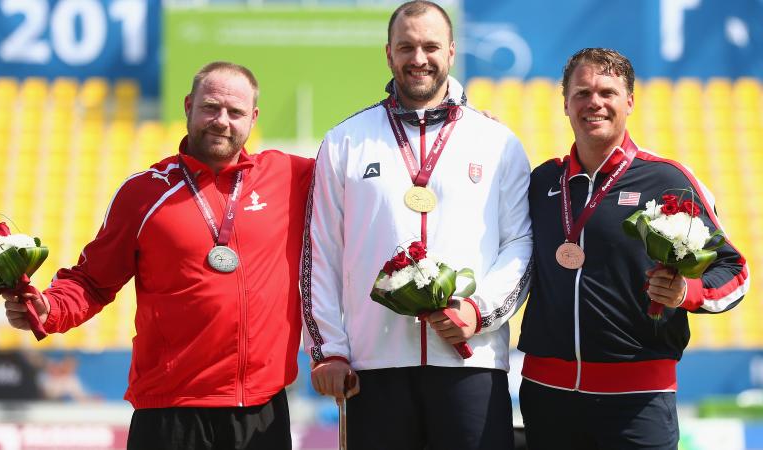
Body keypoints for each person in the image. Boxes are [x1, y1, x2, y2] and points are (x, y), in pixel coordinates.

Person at [2, 61, 314, 450]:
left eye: (234, 112)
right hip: (170, 410)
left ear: (253, 118)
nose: (221, 121)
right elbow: (91, 281)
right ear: (188, 106)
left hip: (260, 408)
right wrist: (51, 309)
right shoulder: (143, 193)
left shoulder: (289, 176)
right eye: (210, 107)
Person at [301, 1, 533, 448]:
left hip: (471, 362)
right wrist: (329, 349)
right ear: (388, 53)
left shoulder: (497, 142)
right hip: (374, 367)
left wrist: (478, 312)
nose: (419, 58)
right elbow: (321, 251)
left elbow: (521, 242)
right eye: (406, 47)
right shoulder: (345, 141)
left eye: (430, 46)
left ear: (451, 51)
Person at [518, 48, 750, 450]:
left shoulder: (666, 179)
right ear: (565, 103)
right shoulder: (542, 181)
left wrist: (687, 293)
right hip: (546, 394)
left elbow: (735, 271)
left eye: (608, 92)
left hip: (637, 401)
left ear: (630, 101)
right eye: (582, 92)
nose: (595, 102)